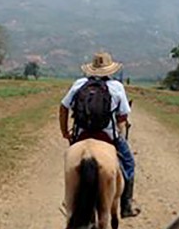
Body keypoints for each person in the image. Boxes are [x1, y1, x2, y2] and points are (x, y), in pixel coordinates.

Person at [59, 51, 141, 217]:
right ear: (110, 70)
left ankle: (68, 202)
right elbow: (123, 116)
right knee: (129, 164)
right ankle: (126, 206)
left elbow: (63, 107)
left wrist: (64, 132)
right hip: (108, 137)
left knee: (71, 161)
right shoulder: (117, 87)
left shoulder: (79, 84)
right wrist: (119, 130)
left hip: (81, 135)